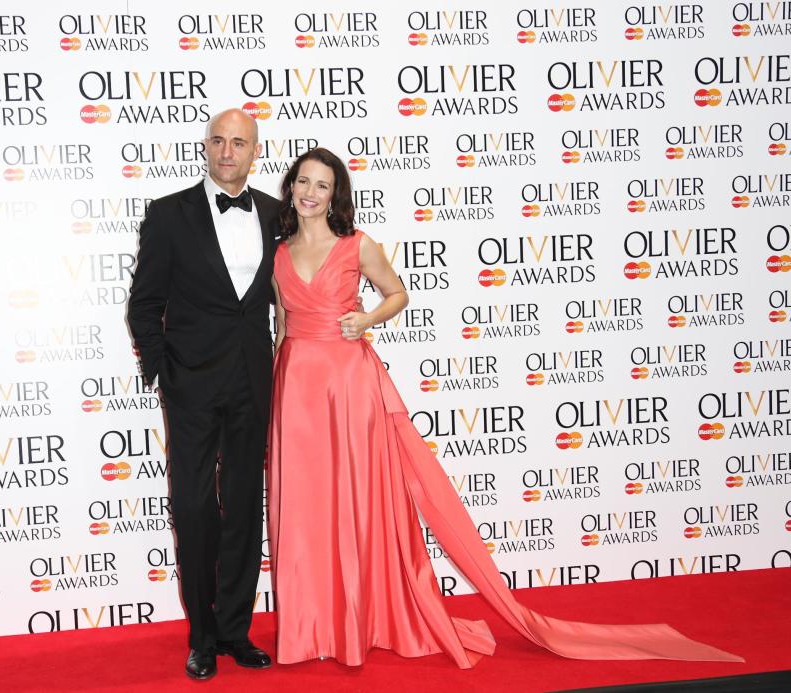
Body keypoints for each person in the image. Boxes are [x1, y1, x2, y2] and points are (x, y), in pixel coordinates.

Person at [266, 147, 742, 669]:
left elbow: (397, 293)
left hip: (349, 386)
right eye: (304, 182)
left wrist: (368, 318)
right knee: (306, 510)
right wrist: (278, 384)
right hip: (297, 391)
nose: (311, 193)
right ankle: (312, 626)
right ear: (290, 187)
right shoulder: (280, 254)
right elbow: (284, 328)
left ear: (336, 196)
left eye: (323, 185)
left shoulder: (358, 246)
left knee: (357, 502)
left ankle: (360, 618)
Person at [127, 108, 277, 681]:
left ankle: (236, 630)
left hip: (252, 380)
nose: (227, 151)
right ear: (206, 147)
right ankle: (201, 635)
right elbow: (144, 303)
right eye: (218, 140)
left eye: (239, 142)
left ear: (254, 152)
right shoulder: (169, 214)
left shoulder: (273, 213)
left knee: (243, 505)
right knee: (193, 508)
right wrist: (164, 371)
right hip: (190, 383)